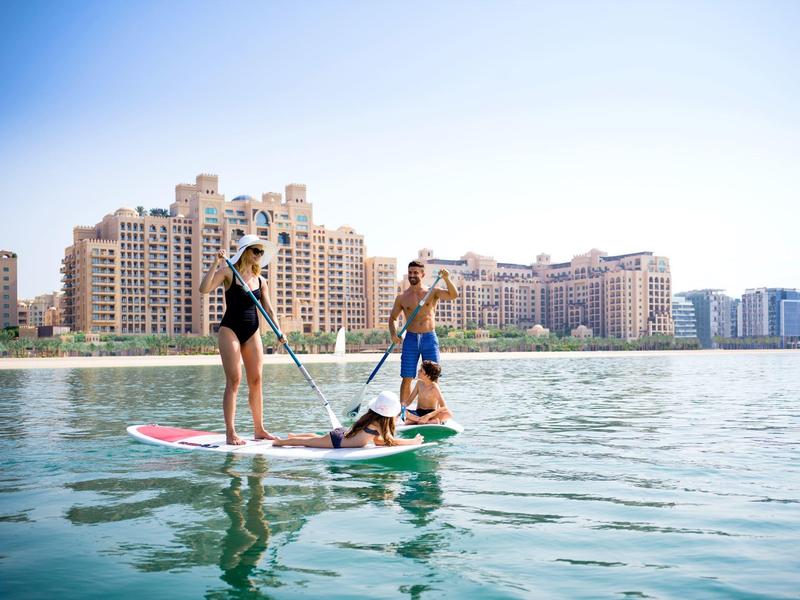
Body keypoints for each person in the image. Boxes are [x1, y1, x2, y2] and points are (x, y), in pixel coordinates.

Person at [199, 234, 285, 445]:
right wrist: (215, 263)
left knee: (256, 380)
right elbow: (204, 289)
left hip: (252, 331)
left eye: (261, 252)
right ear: (245, 251)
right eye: (256, 251)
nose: (259, 255)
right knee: (235, 380)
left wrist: (279, 331)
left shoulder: (260, 280)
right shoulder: (228, 272)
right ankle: (231, 432)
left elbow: (269, 309)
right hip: (231, 330)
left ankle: (259, 429)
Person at [389, 260, 458, 405]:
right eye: (410, 272)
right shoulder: (402, 297)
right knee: (407, 377)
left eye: (415, 272)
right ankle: (404, 412)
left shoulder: (432, 292)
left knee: (433, 378)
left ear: (423, 274)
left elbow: (453, 295)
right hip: (411, 339)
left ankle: (432, 411)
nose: (412, 275)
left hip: (429, 338)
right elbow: (393, 318)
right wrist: (394, 333)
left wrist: (446, 278)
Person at [272, 391, 423, 448]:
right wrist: (412, 442)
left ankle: (293, 436)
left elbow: (378, 441)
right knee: (306, 443)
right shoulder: (377, 424)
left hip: (341, 434)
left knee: (315, 438)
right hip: (337, 440)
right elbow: (391, 441)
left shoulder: (372, 419)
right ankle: (281, 442)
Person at [403, 360, 453, 425]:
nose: (418, 371)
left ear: (428, 376)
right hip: (418, 412)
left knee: (448, 414)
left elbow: (444, 407)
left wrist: (428, 416)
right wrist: (403, 407)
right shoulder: (419, 383)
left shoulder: (434, 387)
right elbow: (409, 401)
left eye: (421, 371)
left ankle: (420, 420)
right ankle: (427, 421)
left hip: (431, 413)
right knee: (403, 412)